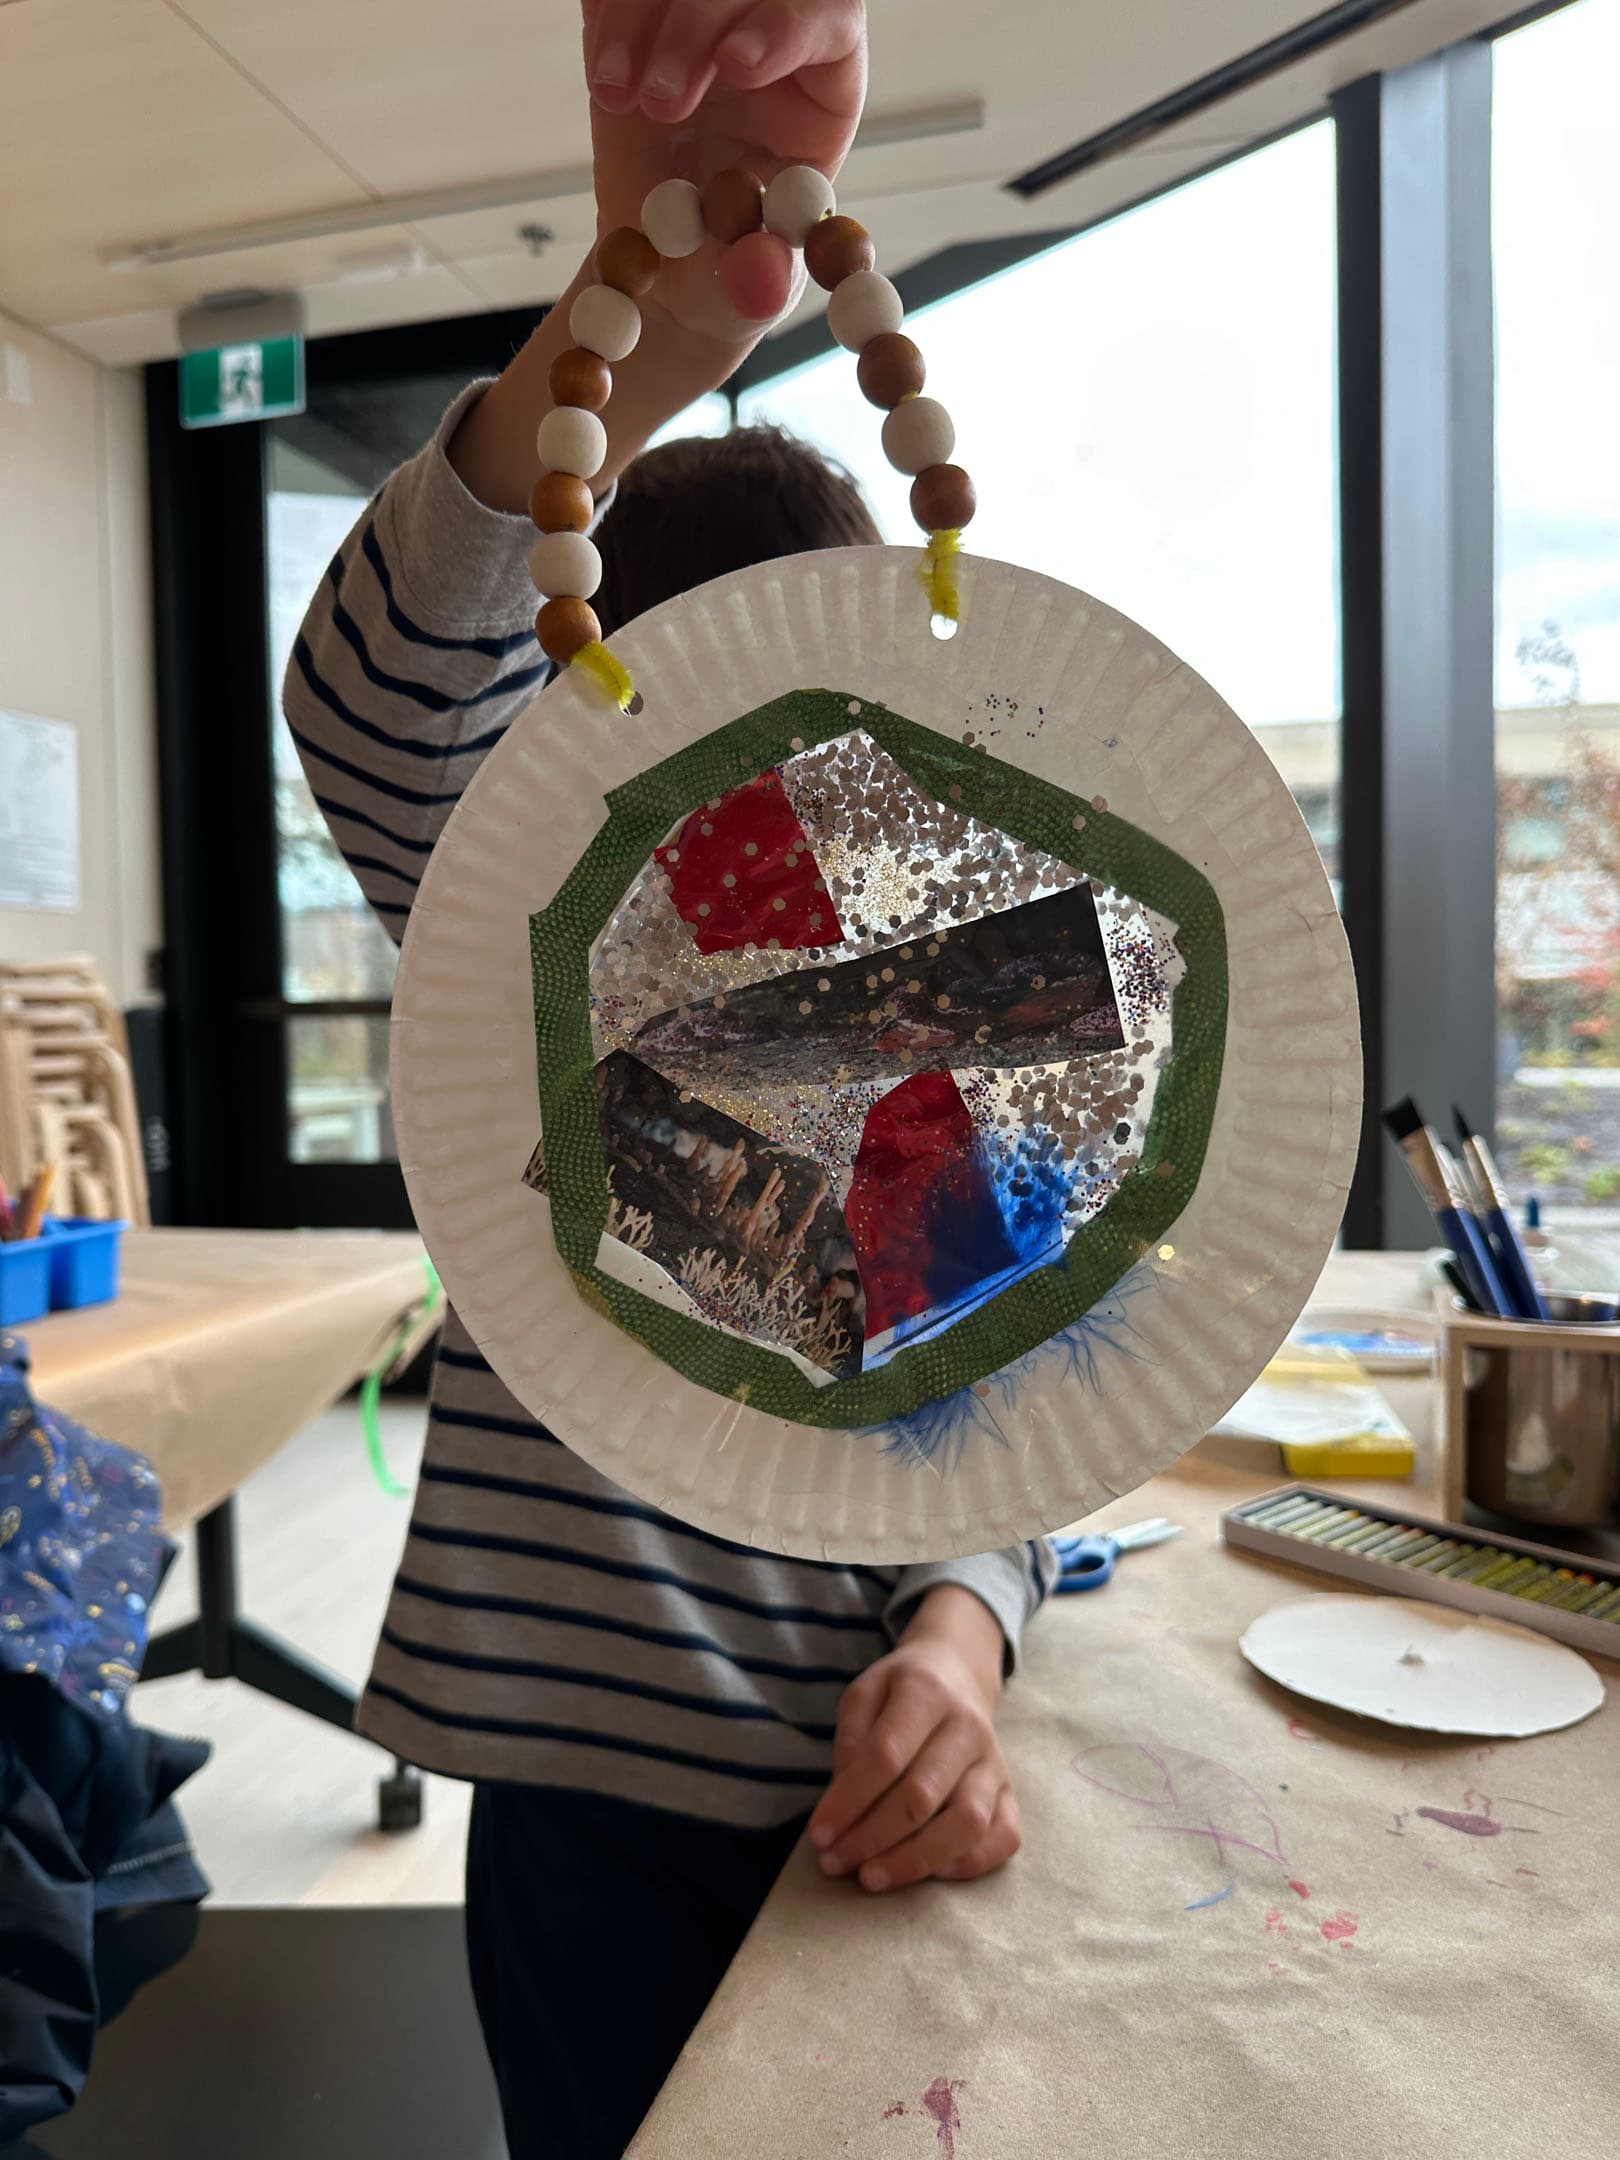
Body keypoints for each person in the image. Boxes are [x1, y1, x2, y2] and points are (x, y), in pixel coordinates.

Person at [285, 5, 1055, 2153]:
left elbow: (997, 1424)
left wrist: (968, 1648)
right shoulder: (530, 964)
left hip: (858, 1793)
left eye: (824, 742)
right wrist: (622, 360)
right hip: (586, 1818)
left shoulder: (915, 1040)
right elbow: (376, 693)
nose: (785, 814)